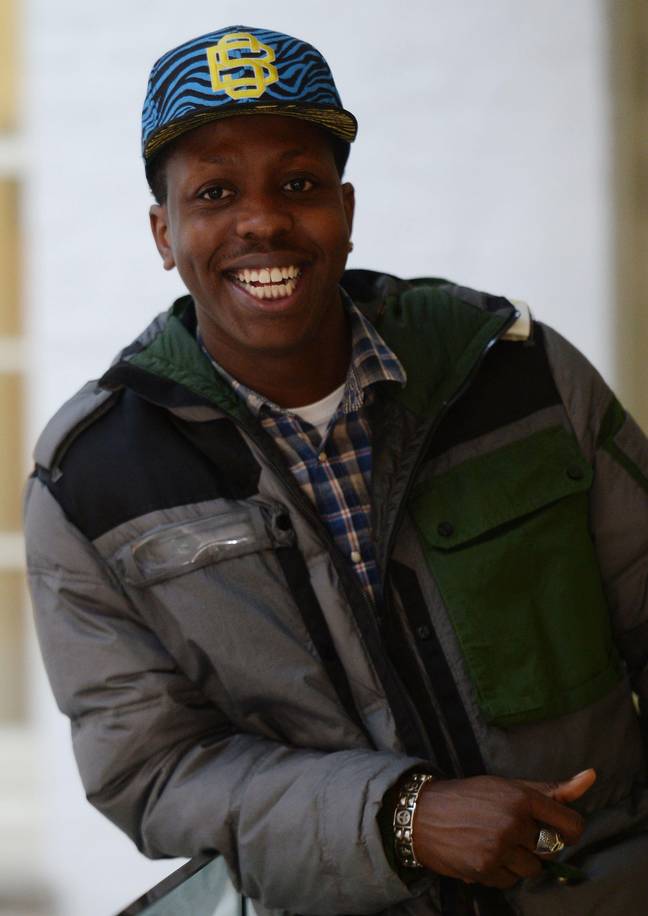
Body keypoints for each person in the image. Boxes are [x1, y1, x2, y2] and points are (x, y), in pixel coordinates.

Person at [24, 24, 648, 916]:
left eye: (299, 183)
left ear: (346, 212)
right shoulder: (92, 483)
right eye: (215, 191)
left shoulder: (517, 374)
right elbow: (152, 771)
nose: (263, 219)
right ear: (165, 233)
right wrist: (397, 816)